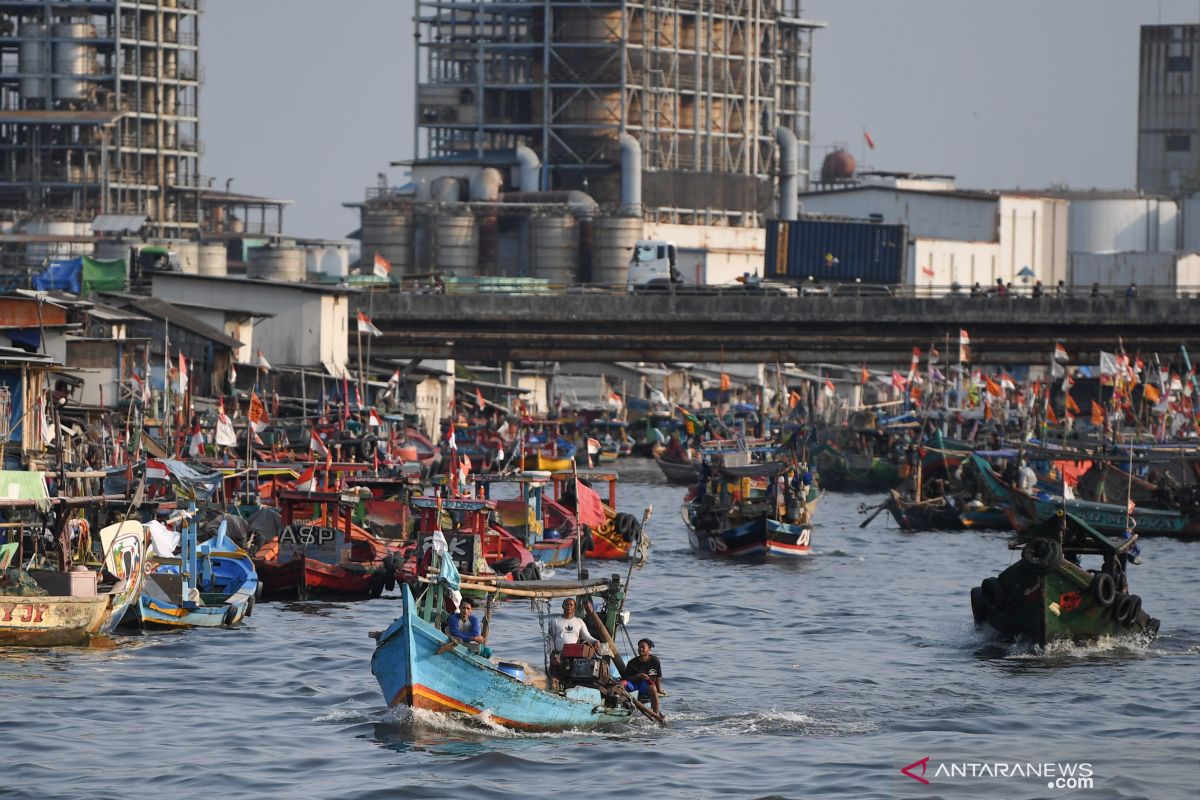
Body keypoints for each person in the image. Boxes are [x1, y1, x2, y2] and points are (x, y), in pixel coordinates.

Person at [548, 597, 599, 673]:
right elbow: (550, 639)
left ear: (575, 607)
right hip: (559, 654)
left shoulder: (579, 621)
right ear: (562, 606)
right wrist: (553, 654)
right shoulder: (555, 621)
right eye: (567, 604)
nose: (569, 606)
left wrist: (595, 641)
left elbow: (586, 636)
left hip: (575, 654)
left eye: (571, 605)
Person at [621, 638, 665, 718]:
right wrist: (637, 676)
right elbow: (627, 678)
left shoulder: (655, 660)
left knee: (653, 689)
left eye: (643, 647)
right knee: (621, 683)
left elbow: (658, 676)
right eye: (639, 647)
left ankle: (656, 714)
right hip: (634, 685)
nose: (640, 649)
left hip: (646, 686)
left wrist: (659, 689)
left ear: (649, 649)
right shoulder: (632, 662)